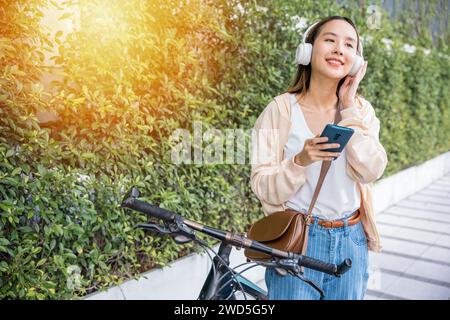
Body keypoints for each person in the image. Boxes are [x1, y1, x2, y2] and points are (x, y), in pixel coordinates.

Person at [250, 15, 388, 300]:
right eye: (330, 40)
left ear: (357, 61)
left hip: (352, 241)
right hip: (298, 242)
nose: (339, 49)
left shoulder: (361, 111)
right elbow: (261, 185)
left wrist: (349, 107)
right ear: (308, 51)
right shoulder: (280, 110)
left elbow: (372, 169)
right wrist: (299, 160)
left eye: (349, 44)